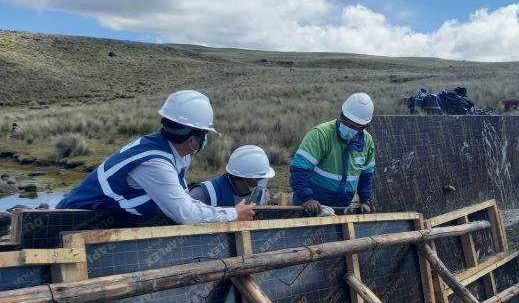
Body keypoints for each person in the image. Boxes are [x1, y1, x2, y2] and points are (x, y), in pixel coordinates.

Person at [57, 90, 255, 223]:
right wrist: (232, 214)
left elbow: (183, 199)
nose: (205, 140)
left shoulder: (173, 152)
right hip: (67, 224)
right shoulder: (155, 163)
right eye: (205, 134)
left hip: (97, 221)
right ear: (194, 140)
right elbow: (185, 214)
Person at [290, 93, 375, 215]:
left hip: (340, 207)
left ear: (363, 127)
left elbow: (366, 175)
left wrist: (364, 201)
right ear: (341, 115)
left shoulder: (367, 142)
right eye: (346, 122)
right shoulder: (320, 135)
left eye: (354, 126)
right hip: (312, 206)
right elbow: (299, 169)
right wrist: (307, 199)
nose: (348, 127)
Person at [189, 145, 274, 206]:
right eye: (259, 179)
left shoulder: (259, 193)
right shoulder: (203, 193)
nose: (261, 183)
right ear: (246, 179)